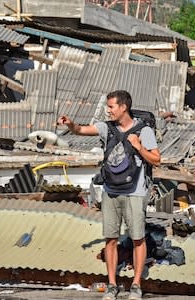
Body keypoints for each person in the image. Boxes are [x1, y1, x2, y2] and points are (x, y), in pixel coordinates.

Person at [58, 90, 161, 300]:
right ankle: (112, 285)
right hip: (111, 191)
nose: (108, 110)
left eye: (111, 106)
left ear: (123, 107)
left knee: (137, 239)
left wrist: (139, 146)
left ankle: (136, 285)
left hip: (136, 191)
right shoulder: (107, 127)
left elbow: (157, 160)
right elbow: (80, 129)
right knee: (111, 238)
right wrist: (70, 124)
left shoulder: (144, 131)